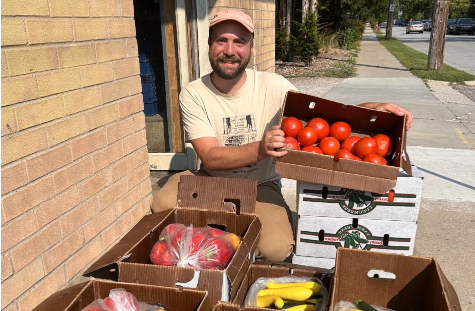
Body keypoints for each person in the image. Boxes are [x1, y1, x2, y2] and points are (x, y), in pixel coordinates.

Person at [151, 9, 413, 262]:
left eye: (239, 42)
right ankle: (229, 231)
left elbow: (325, 120)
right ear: (209, 45)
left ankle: (228, 227)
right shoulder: (194, 92)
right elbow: (210, 158)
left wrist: (375, 109)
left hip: (261, 186)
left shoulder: (273, 86)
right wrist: (261, 149)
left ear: (250, 48)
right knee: (160, 202)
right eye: (222, 40)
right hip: (211, 180)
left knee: (277, 250)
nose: (230, 51)